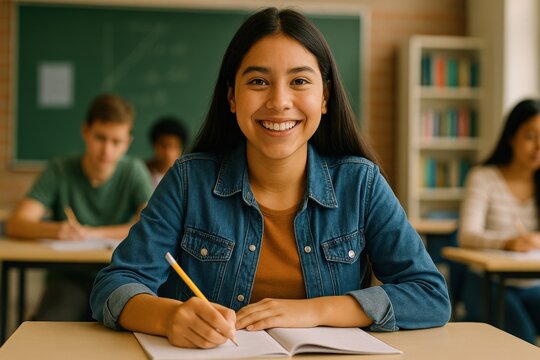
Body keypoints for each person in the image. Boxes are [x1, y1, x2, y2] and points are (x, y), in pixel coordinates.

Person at [90, 7, 450, 349]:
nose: (279, 101)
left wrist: (319, 310)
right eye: (259, 81)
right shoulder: (188, 180)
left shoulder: (361, 183)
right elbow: (114, 285)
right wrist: (170, 317)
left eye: (299, 81)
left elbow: (430, 296)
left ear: (324, 97)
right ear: (232, 96)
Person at [6, 93, 153, 321]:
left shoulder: (134, 171)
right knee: (50, 327)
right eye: (100, 138)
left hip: (121, 275)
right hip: (69, 276)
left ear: (128, 142)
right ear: (86, 131)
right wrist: (57, 230)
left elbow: (149, 226)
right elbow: (17, 223)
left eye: (116, 142)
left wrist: (93, 233)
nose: (107, 150)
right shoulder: (60, 169)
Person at [459, 99, 540, 344]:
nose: (538, 146)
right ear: (511, 137)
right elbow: (467, 235)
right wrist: (507, 243)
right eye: (530, 136)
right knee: (521, 339)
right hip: (487, 282)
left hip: (533, 285)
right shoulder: (483, 177)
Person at [146, 116, 189, 189]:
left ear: (181, 148)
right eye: (163, 145)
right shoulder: (142, 172)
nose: (167, 152)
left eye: (173, 146)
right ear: (154, 145)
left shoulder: (187, 177)